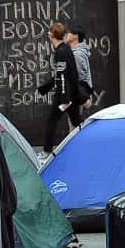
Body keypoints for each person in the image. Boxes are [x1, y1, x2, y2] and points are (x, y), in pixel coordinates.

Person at [37, 22, 82, 158]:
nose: (48, 34)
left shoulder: (61, 52)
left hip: (64, 95)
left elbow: (62, 76)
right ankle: (93, 142)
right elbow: (62, 74)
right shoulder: (65, 49)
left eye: (49, 32)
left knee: (52, 120)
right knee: (77, 122)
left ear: (52, 35)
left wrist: (65, 99)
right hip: (70, 93)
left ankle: (46, 151)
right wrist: (44, 88)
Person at [67, 25, 94, 109]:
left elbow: (79, 77)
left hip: (77, 95)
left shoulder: (77, 54)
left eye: (69, 33)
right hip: (79, 94)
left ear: (76, 36)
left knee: (75, 121)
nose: (67, 35)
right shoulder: (77, 52)